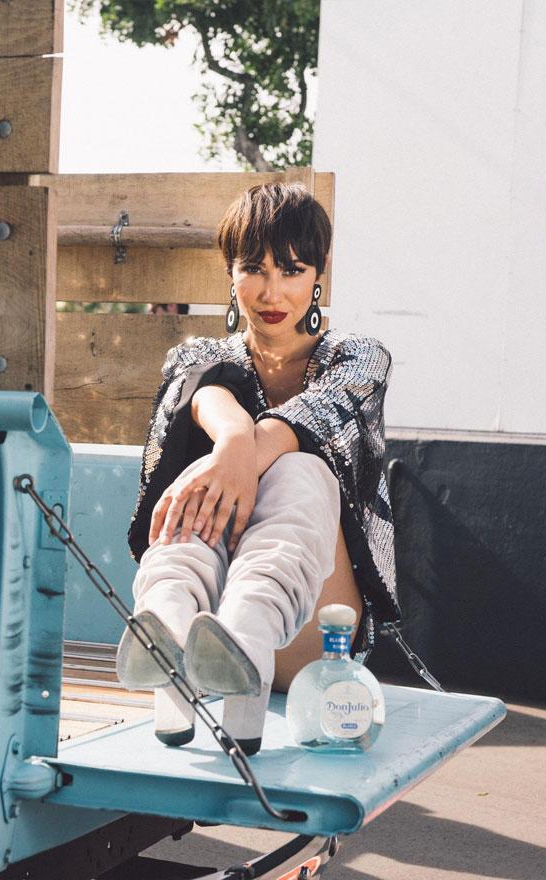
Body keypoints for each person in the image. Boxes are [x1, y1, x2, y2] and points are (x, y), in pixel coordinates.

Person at [117, 182, 400, 754]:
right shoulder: (198, 356)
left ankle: (245, 634)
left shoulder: (359, 357)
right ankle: (167, 626)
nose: (272, 291)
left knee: (300, 470)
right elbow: (196, 394)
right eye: (254, 268)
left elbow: (303, 422)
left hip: (313, 637)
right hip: (204, 631)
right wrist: (229, 445)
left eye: (292, 270)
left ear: (319, 273)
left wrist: (239, 453)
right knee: (201, 460)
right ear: (230, 272)